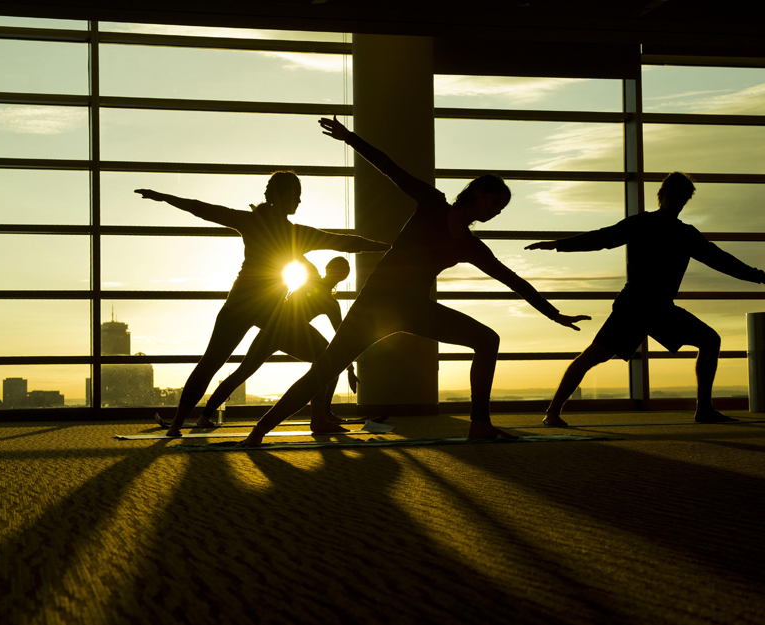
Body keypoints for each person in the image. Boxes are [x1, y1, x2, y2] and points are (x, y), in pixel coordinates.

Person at [238, 117, 590, 446]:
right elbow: (390, 168)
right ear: (478, 192)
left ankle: (480, 425)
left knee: (487, 340)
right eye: (496, 202)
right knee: (324, 370)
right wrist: (349, 138)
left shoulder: (470, 245)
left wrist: (554, 314)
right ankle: (258, 432)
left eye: (502, 207)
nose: (497, 210)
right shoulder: (433, 204)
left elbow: (513, 280)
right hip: (375, 304)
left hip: (413, 308)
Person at [135, 171, 388, 437]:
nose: (299, 201)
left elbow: (346, 242)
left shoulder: (261, 224)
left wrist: (386, 247)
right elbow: (204, 209)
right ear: (281, 195)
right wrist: (389, 248)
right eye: (296, 196)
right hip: (262, 309)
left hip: (251, 306)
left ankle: (177, 424)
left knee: (212, 363)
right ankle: (317, 419)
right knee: (318, 356)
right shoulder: (292, 233)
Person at [527, 172, 765, 426]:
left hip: (660, 308)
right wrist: (559, 244)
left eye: (684, 197)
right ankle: (552, 412)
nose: (679, 201)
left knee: (710, 340)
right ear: (661, 195)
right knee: (593, 356)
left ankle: (705, 409)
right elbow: (602, 238)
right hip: (635, 306)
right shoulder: (642, 223)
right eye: (675, 195)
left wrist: (759, 276)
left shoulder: (685, 233)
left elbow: (720, 260)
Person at [182, 256, 360, 431]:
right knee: (324, 361)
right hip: (281, 331)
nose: (338, 273)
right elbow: (295, 252)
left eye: (342, 271)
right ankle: (322, 416)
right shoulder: (322, 291)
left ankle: (323, 415)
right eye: (338, 269)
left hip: (274, 332)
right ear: (331, 270)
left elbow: (340, 338)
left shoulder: (329, 301)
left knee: (243, 372)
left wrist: (350, 369)